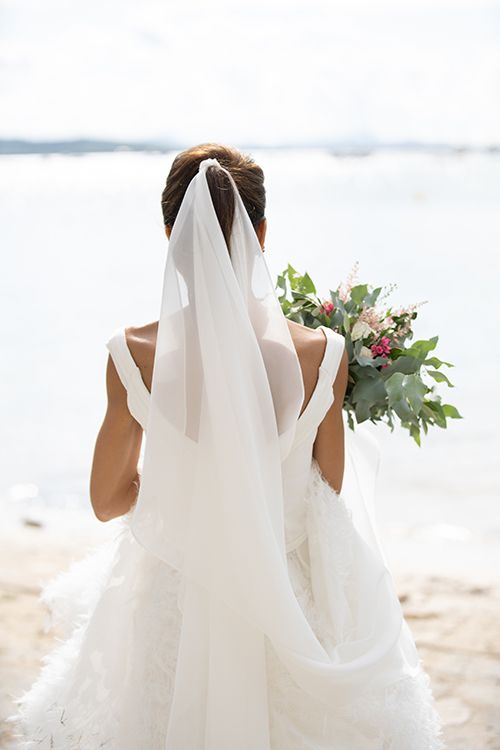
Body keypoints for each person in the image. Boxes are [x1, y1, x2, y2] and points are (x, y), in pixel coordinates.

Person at [7, 143, 446, 749]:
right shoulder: (325, 354)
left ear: (170, 235)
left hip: (177, 595)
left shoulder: (131, 354)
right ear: (261, 232)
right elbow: (331, 484)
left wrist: (182, 490)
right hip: (289, 597)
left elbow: (107, 501)